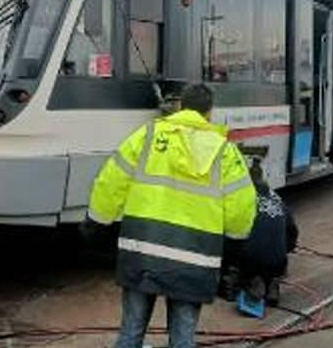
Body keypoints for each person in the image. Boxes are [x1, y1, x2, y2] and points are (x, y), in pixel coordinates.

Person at [84, 84, 256, 348]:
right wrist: (234, 244)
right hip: (195, 259)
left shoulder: (148, 135)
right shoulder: (225, 151)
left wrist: (96, 221)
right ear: (209, 113)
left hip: (142, 251)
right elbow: (242, 206)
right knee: (183, 338)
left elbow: (112, 180)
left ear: (180, 106)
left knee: (131, 331)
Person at [221, 159, 299, 309]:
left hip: (249, 259)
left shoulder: (241, 199)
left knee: (229, 239)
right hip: (279, 260)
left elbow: (229, 230)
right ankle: (272, 281)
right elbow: (292, 232)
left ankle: (247, 280)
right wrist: (284, 252)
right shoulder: (277, 199)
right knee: (271, 249)